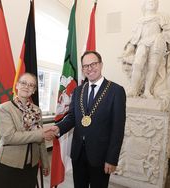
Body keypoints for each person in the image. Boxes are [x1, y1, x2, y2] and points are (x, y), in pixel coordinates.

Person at [51, 51, 126, 188]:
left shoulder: (116, 91)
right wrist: (59, 127)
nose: (89, 68)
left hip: (101, 156)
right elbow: (73, 117)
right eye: (86, 66)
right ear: (82, 69)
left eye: (93, 64)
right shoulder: (78, 91)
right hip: (78, 153)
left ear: (101, 64)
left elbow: (118, 129)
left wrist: (112, 159)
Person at [0, 73, 54, 188]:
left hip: (31, 166)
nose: (26, 87)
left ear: (34, 90)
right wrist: (40, 134)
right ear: (17, 85)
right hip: (7, 164)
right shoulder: (5, 108)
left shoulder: (37, 111)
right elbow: (9, 137)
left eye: (31, 85)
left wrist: (45, 162)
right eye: (23, 83)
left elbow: (41, 140)